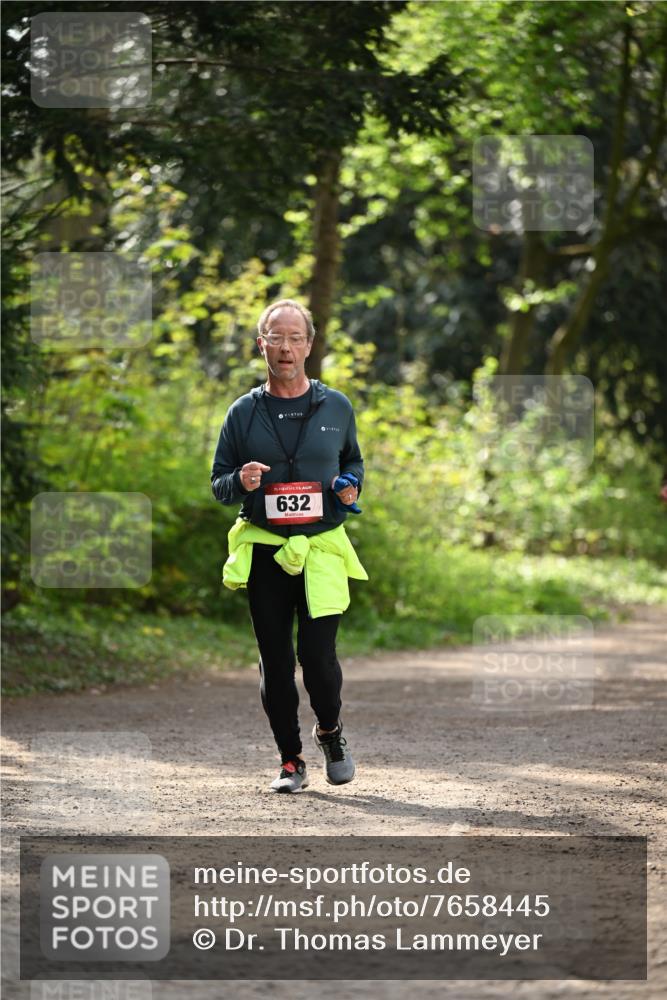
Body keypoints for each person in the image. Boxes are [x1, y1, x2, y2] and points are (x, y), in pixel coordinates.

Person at [211, 299, 368, 793]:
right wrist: (241, 478)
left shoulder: (337, 406)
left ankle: (330, 732)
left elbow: (355, 464)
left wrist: (350, 487)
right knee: (275, 660)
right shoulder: (242, 412)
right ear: (261, 344)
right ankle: (290, 760)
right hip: (265, 550)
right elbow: (219, 484)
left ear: (309, 345)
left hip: (320, 548)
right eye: (275, 338)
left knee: (318, 658)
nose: (284, 347)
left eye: (294, 338)